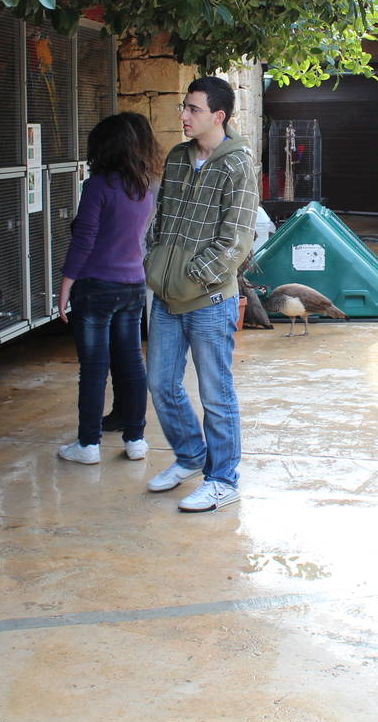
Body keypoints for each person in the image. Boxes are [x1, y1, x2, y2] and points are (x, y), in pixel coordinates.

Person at [143, 76, 260, 512]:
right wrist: (155, 266)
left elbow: (236, 241)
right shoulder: (177, 159)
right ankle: (191, 456)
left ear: (218, 116)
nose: (184, 116)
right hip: (167, 298)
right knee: (161, 383)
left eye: (193, 109)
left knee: (216, 392)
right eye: (183, 107)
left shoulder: (239, 165)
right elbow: (161, 221)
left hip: (210, 301)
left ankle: (223, 478)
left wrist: (192, 277)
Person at [55, 112, 162, 466]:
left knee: (94, 367)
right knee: (131, 362)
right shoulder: (143, 186)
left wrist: (66, 284)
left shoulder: (98, 186)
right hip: (132, 285)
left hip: (95, 285)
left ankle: (88, 444)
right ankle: (136, 438)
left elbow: (85, 238)